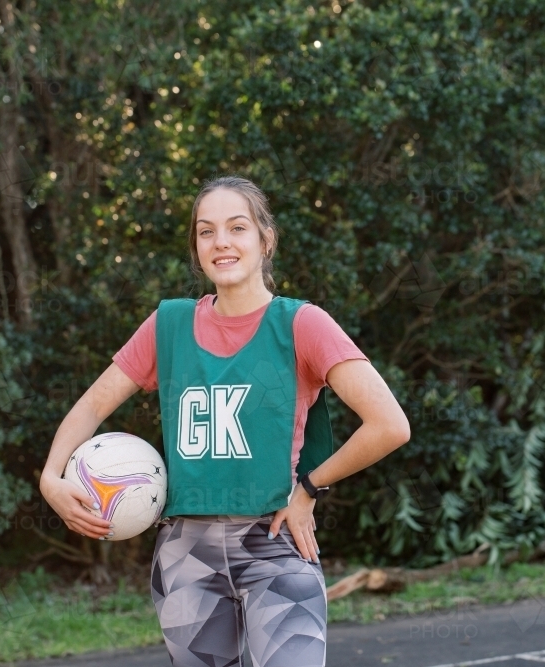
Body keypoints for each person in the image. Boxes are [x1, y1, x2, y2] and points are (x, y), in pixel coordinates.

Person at [40, 175, 411, 667]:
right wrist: (50, 476)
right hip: (186, 557)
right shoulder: (167, 325)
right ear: (196, 245)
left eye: (237, 228)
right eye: (206, 231)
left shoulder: (301, 324)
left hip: (276, 547)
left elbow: (389, 424)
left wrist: (310, 489)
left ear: (265, 239)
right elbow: (89, 407)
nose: (221, 243)